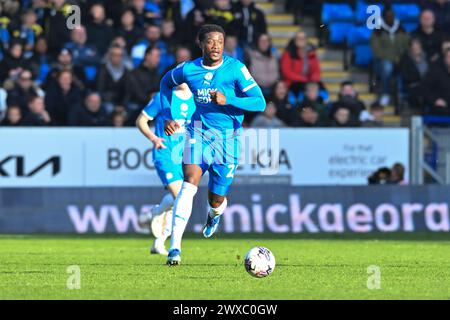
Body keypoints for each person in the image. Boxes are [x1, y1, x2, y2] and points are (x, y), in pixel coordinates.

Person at [160, 24, 265, 265]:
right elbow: (165, 83)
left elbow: (259, 103)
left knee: (216, 200)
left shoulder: (236, 69)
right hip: (198, 133)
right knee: (189, 184)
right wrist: (167, 114)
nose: (216, 46)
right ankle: (174, 249)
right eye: (210, 41)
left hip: (227, 140)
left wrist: (230, 100)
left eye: (220, 41)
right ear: (201, 44)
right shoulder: (189, 69)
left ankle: (214, 215)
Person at [136, 85, 196, 255]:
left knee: (180, 202)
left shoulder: (198, 99)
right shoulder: (163, 97)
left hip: (185, 157)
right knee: (180, 197)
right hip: (165, 154)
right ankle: (157, 215)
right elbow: (141, 120)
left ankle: (159, 239)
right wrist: (154, 138)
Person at [370, 7, 410, 106]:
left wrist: (399, 57)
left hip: (400, 59)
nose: (390, 18)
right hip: (382, 60)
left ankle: (406, 95)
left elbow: (407, 44)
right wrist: (392, 58)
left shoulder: (401, 28)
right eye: (387, 16)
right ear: (383, 17)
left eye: (392, 15)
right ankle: (385, 93)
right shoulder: (377, 30)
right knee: (387, 68)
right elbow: (376, 50)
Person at [422, 48, 450, 115]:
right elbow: (424, 88)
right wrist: (435, 100)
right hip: (442, 107)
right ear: (445, 59)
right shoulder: (435, 71)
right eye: (449, 57)